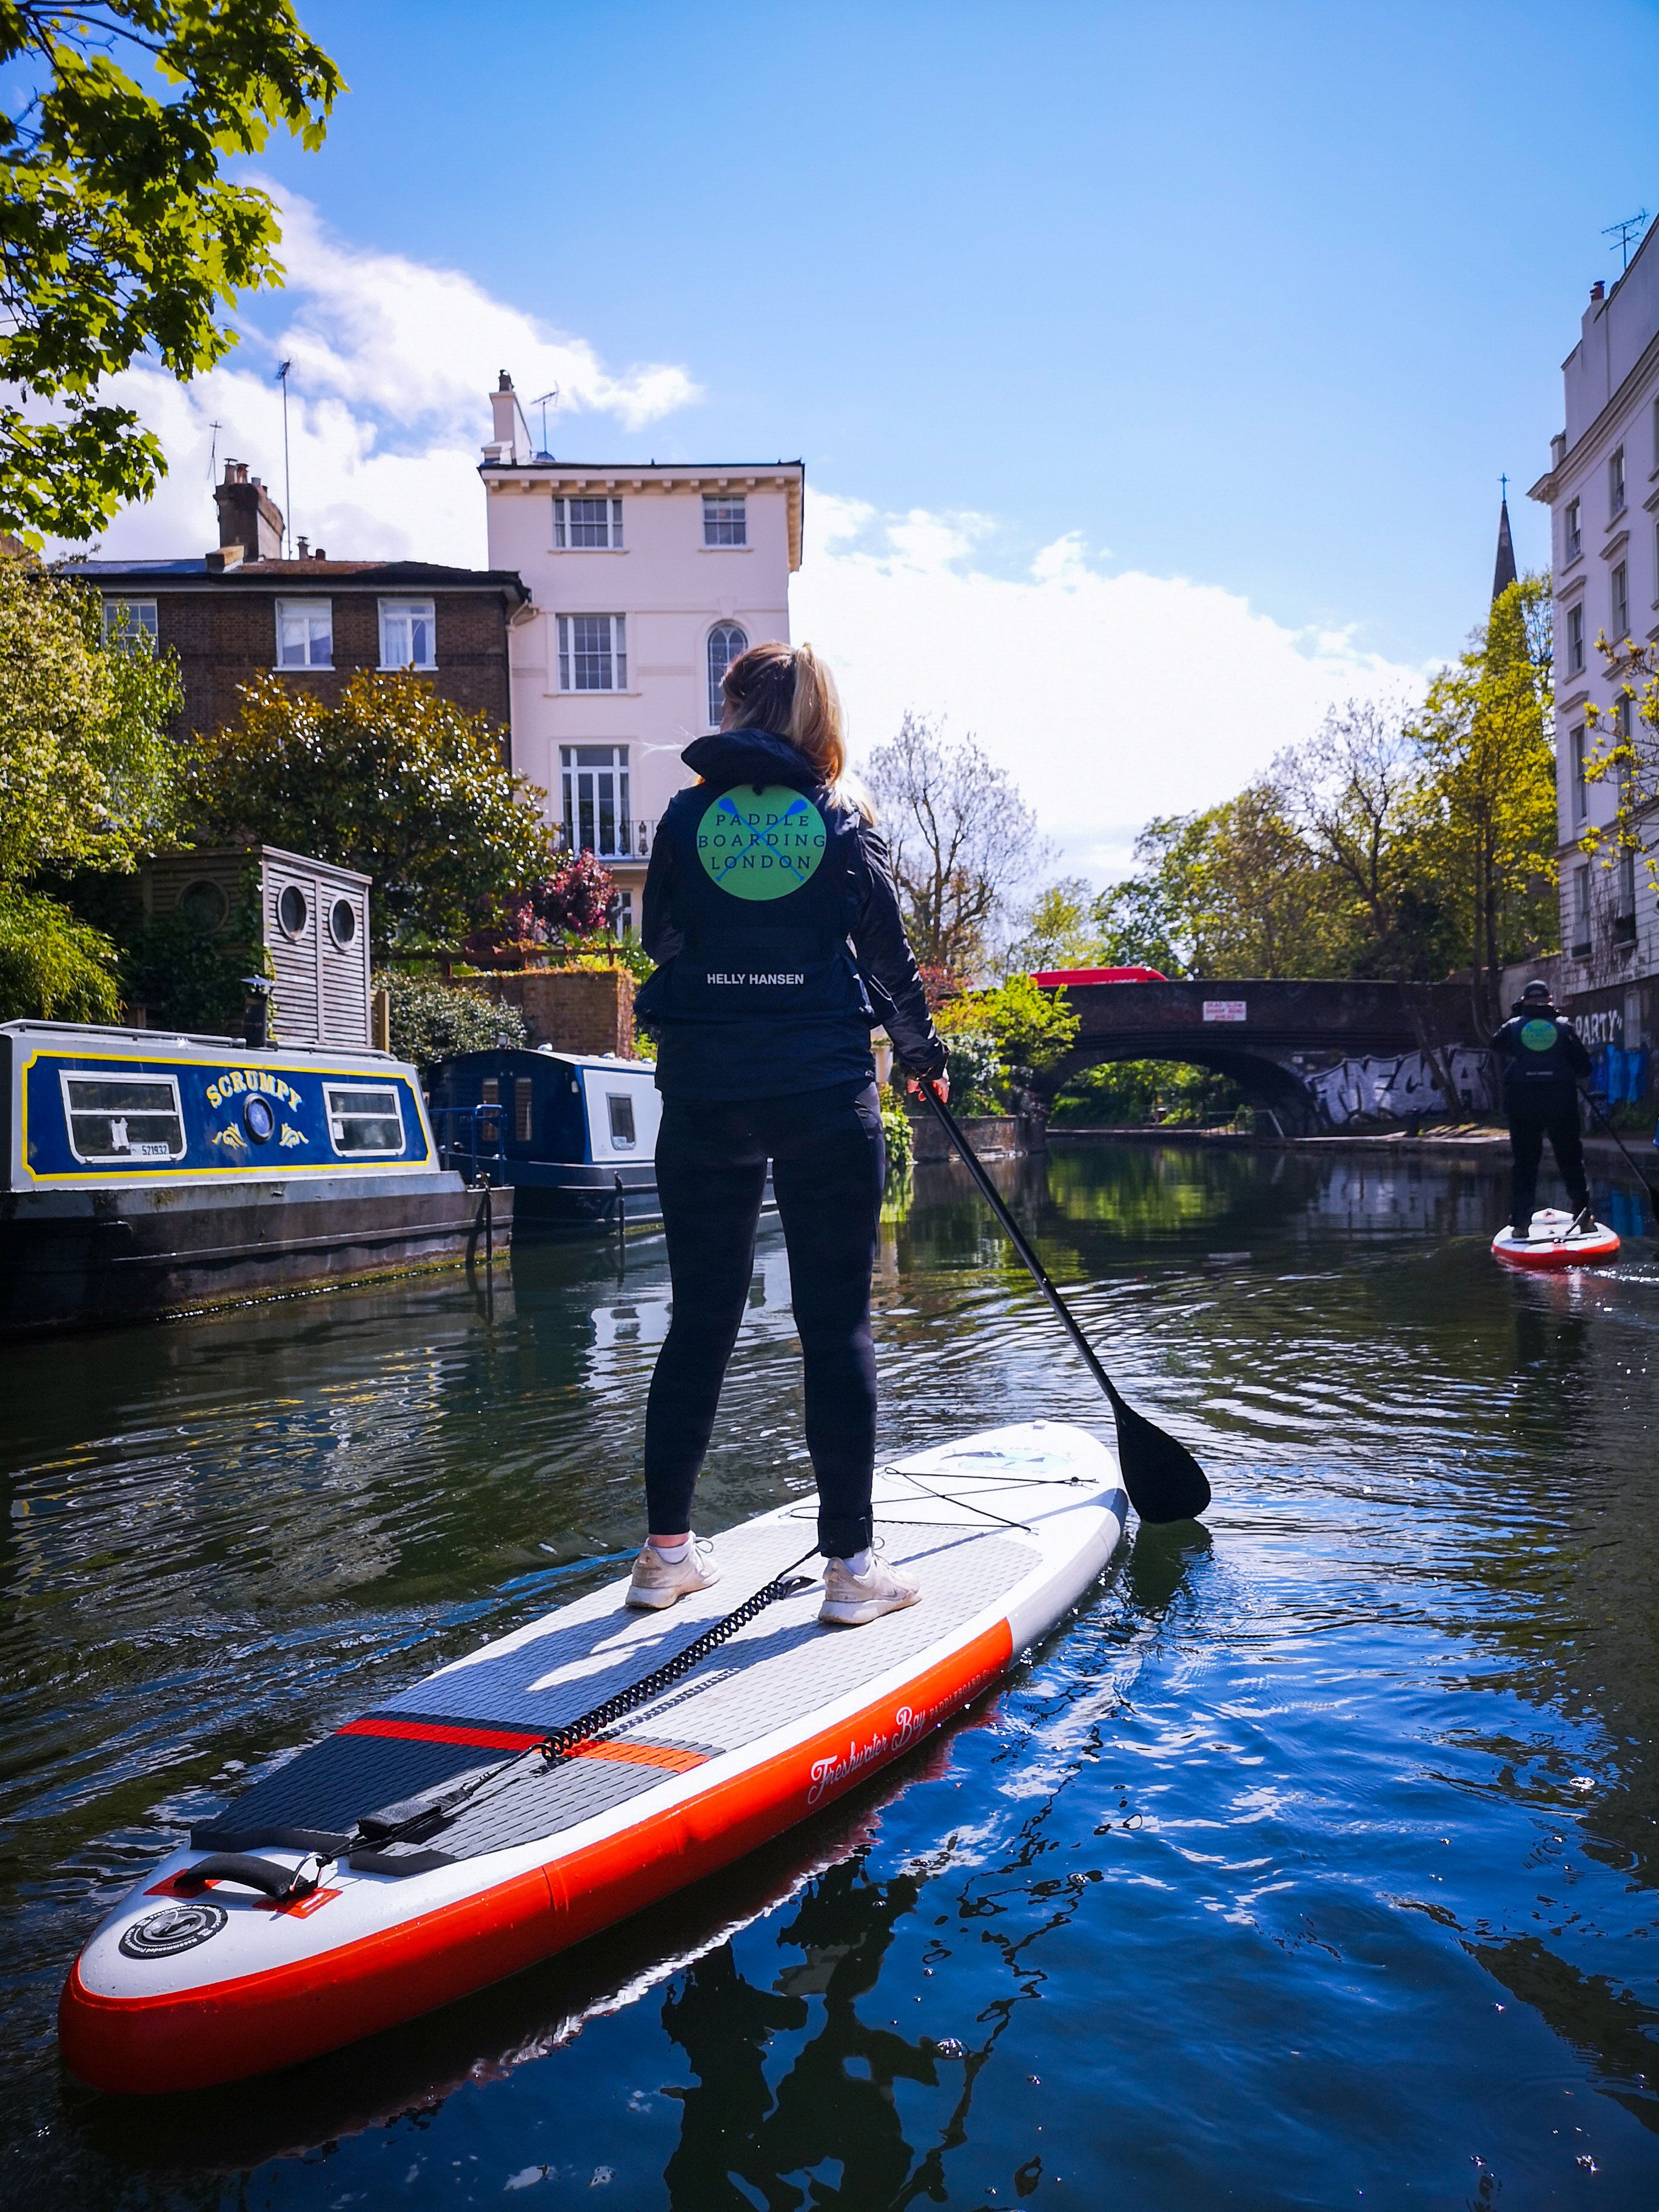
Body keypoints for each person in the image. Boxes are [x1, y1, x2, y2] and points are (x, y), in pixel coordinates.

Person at [629, 641, 949, 1627]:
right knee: (833, 1325)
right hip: (819, 1087)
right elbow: (886, 957)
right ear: (817, 717)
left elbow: (660, 942)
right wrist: (921, 1052)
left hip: (706, 1087)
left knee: (700, 1317)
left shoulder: (686, 815)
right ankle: (851, 1572)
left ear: (729, 709)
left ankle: (663, 1557)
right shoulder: (840, 818)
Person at [1490, 978, 1594, 1238]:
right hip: (1561, 1102)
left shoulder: (1512, 1028)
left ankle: (1521, 1224)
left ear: (1523, 1003)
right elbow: (1584, 1067)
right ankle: (1584, 1217)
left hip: (1522, 1104)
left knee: (1525, 1163)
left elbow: (1496, 1045)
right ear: (1550, 1002)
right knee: (1571, 1160)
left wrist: (1516, 1016)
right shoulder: (1565, 1028)